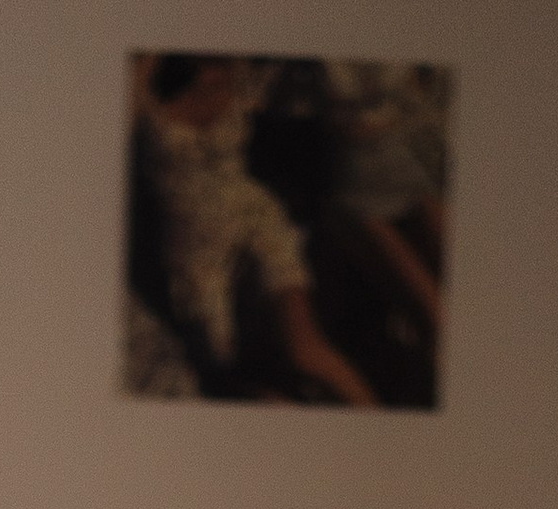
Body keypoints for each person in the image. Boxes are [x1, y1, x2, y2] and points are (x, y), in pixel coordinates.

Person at [129, 57, 377, 406]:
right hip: (196, 250)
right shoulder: (147, 90)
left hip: (256, 218)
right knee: (221, 371)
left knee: (306, 349)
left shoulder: (236, 74)